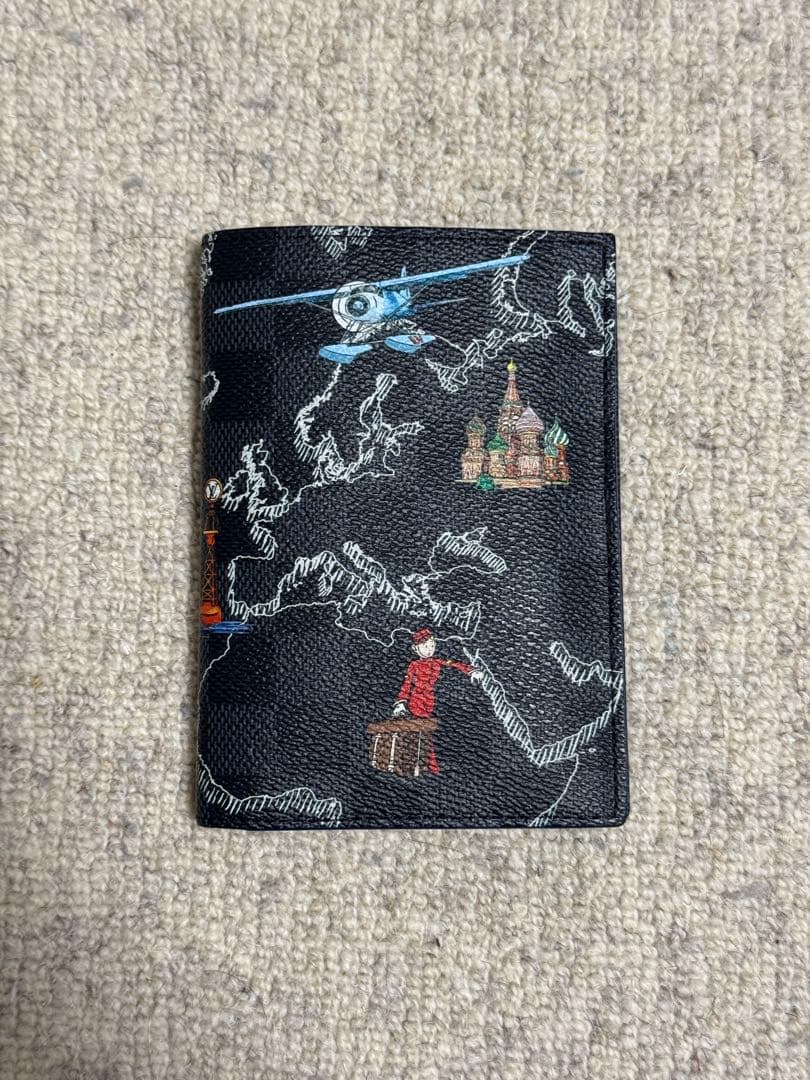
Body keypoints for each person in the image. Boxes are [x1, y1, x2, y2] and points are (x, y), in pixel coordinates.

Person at [392, 628, 482, 774]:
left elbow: (453, 664)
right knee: (423, 733)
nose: (429, 649)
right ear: (415, 649)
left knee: (428, 733)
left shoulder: (437, 662)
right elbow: (407, 685)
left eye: (431, 645)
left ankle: (428, 765)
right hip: (417, 702)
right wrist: (401, 703)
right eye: (425, 646)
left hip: (432, 701)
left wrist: (471, 670)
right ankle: (429, 766)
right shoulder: (414, 665)